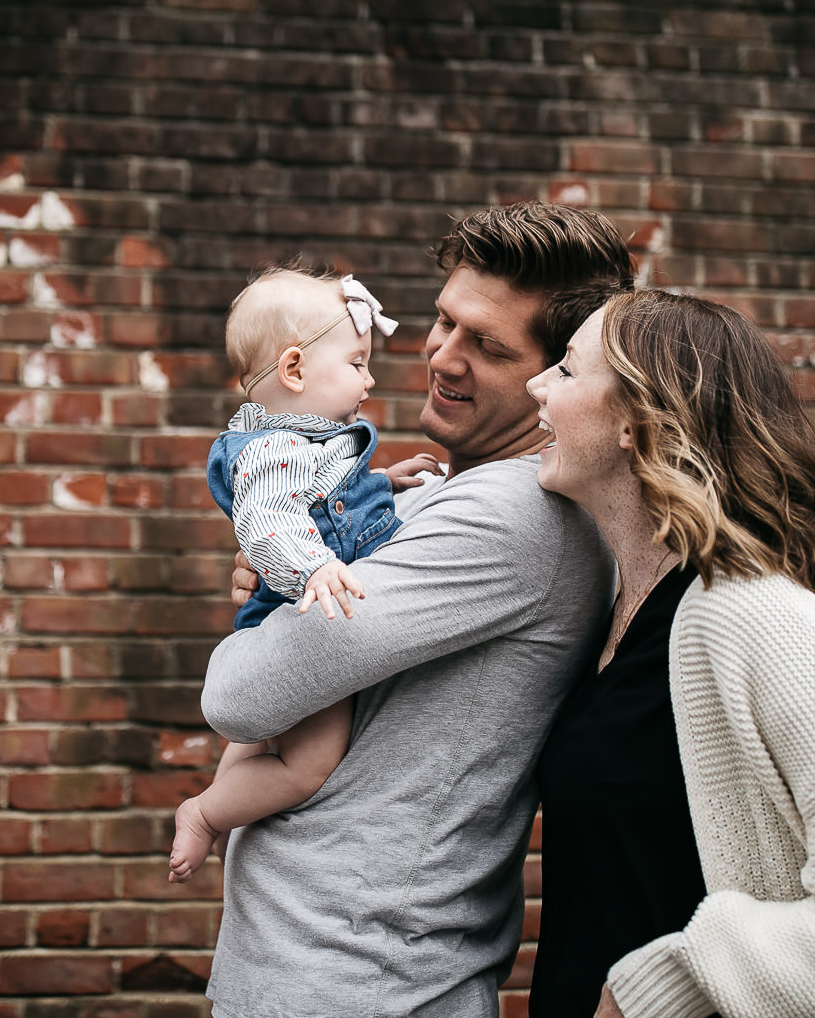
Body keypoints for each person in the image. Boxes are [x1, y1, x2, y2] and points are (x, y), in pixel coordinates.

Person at [199, 202, 636, 1018]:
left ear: (553, 375)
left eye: (488, 346)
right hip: (326, 968)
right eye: (444, 321)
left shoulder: (513, 518)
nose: (442, 355)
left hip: (356, 982)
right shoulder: (450, 496)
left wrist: (266, 618)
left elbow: (239, 697)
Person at [524, 289, 815, 1018]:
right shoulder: (617, 612)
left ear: (636, 419)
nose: (537, 385)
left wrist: (670, 981)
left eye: (565, 369)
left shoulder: (759, 617)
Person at [169, 268, 438, 883]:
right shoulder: (270, 450)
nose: (369, 380)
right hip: (300, 610)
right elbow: (269, 525)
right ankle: (208, 814)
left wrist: (383, 481)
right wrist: (314, 566)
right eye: (357, 363)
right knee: (306, 765)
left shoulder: (308, 439)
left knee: (260, 743)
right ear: (294, 370)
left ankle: (219, 804)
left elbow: (326, 495)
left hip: (299, 607)